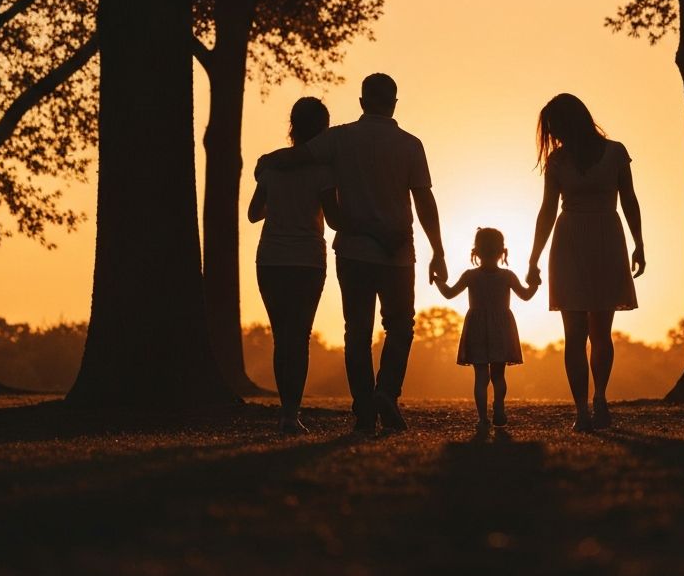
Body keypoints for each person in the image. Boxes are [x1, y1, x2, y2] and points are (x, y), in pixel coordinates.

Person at [258, 73, 446, 435]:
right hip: (398, 252)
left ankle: (364, 411)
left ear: (362, 103)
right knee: (400, 326)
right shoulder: (410, 145)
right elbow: (424, 200)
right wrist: (438, 251)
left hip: (354, 252)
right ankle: (387, 392)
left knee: (357, 332)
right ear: (393, 103)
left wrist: (266, 161)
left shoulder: (339, 139)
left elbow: (296, 158)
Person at [526, 93, 646, 431]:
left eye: (556, 126)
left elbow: (629, 200)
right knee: (574, 333)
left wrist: (639, 243)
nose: (554, 134)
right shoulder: (557, 162)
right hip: (569, 243)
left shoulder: (616, 153)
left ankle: (601, 398)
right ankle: (581, 409)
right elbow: (547, 210)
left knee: (601, 331)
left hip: (607, 239)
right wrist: (534, 257)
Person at [248, 97, 341, 435]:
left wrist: (280, 204)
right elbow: (333, 220)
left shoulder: (271, 168)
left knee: (280, 337)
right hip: (307, 262)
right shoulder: (324, 172)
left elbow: (253, 213)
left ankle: (285, 414)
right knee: (298, 337)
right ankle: (290, 413)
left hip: (271, 258)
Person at [435, 227, 538, 432]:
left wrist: (437, 279)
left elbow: (448, 293)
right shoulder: (508, 276)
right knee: (498, 375)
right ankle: (499, 406)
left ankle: (483, 419)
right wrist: (535, 283)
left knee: (480, 377)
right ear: (502, 252)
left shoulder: (470, 276)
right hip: (501, 329)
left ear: (476, 252)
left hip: (476, 329)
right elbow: (526, 296)